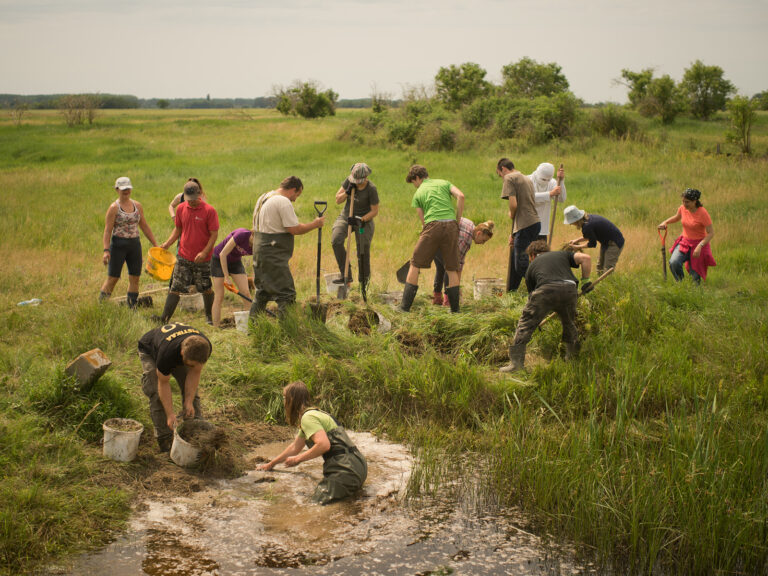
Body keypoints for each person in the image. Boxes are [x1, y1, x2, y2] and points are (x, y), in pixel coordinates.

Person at [257, 380, 367, 505]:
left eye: (284, 398)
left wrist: (297, 459)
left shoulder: (308, 418)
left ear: (291, 399)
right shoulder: (316, 413)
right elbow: (295, 447)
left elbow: (323, 445)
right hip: (358, 466)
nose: (283, 402)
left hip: (345, 470)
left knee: (314, 505)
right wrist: (271, 464)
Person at [500, 240, 592, 373]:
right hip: (569, 289)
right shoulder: (562, 254)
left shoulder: (531, 267)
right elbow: (586, 258)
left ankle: (516, 365)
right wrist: (586, 280)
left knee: (525, 323)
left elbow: (533, 298)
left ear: (532, 255)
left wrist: (535, 320)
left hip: (545, 290)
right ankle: (572, 361)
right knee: (569, 323)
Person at [249, 176, 325, 318]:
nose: (295, 199)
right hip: (273, 254)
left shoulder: (264, 197)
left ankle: (253, 327)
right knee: (286, 294)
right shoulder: (282, 201)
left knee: (262, 293)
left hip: (259, 251)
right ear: (292, 189)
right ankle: (287, 329)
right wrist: (315, 224)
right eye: (297, 195)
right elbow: (294, 229)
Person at [400, 165, 465, 313]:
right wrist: (457, 220)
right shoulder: (444, 183)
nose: (415, 186)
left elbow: (424, 223)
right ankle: (455, 311)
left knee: (415, 264)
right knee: (452, 268)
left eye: (414, 182)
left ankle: (404, 308)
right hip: (451, 226)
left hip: (432, 226)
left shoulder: (418, 193)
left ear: (417, 178)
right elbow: (461, 196)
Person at [138, 322, 212, 452]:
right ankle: (165, 438)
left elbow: (195, 372)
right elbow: (163, 383)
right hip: (150, 348)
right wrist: (170, 414)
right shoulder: (166, 355)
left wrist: (188, 401)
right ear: (182, 353)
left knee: (191, 391)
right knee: (156, 392)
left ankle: (195, 429)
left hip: (176, 347)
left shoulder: (204, 347)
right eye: (190, 364)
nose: (192, 366)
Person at [158, 179, 219, 324]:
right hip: (183, 256)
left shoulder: (209, 211)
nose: (191, 202)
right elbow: (178, 229)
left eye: (194, 199)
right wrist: (167, 243)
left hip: (202, 259)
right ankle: (164, 319)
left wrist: (204, 252)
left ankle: (209, 317)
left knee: (206, 288)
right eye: (188, 199)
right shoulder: (180, 208)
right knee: (175, 287)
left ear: (199, 194)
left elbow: (214, 234)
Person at [100, 177, 158, 307]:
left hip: (134, 245)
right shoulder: (114, 208)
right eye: (123, 189)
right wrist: (106, 250)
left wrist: (155, 244)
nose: (126, 191)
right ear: (117, 190)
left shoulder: (137, 206)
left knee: (135, 277)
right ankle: (101, 306)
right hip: (118, 245)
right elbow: (107, 231)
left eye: (128, 188)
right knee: (113, 278)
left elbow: (144, 226)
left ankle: (132, 306)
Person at [331, 163, 379, 291]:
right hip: (346, 217)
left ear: (366, 177)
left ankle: (364, 284)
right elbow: (337, 200)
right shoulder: (349, 181)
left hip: (363, 222)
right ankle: (346, 275)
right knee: (336, 240)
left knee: (363, 250)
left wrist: (361, 219)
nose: (356, 183)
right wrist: (347, 192)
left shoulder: (371, 189)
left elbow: (374, 211)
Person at [496, 158, 540, 292]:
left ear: (503, 169)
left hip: (524, 224)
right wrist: (514, 233)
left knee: (521, 264)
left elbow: (514, 205)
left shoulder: (509, 178)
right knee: (517, 259)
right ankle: (511, 291)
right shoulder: (526, 178)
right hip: (534, 223)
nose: (501, 178)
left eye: (499, 174)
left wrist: (511, 213)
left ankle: (538, 288)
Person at [657, 188, 716, 283]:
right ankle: (681, 284)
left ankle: (694, 288)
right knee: (674, 262)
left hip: (699, 245)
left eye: (687, 202)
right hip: (685, 242)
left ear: (694, 201)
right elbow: (677, 217)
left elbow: (711, 233)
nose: (684, 204)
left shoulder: (703, 213)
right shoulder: (682, 208)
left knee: (695, 278)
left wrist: (700, 246)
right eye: (683, 201)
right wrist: (665, 222)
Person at [432, 219, 495, 306]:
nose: (482, 243)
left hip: (434, 236)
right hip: (440, 241)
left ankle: (437, 298)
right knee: (450, 269)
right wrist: (456, 287)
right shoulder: (466, 240)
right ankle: (448, 301)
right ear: (479, 233)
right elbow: (457, 264)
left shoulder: (471, 224)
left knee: (441, 268)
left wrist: (457, 285)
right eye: (483, 240)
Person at [211, 227, 253, 327]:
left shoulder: (259, 246)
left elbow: (257, 265)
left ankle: (248, 325)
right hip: (218, 259)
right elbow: (223, 254)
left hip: (235, 262)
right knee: (219, 295)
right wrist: (226, 277)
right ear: (252, 235)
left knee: (246, 293)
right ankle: (216, 327)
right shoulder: (242, 234)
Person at [563, 205, 625, 273]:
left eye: (571, 222)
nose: (571, 224)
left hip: (614, 243)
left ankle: (609, 279)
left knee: (608, 268)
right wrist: (576, 240)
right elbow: (590, 236)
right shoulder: (587, 219)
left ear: (576, 220)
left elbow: (592, 244)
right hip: (605, 242)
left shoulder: (587, 226)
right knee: (600, 266)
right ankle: (600, 279)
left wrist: (577, 247)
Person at [528, 163, 566, 242]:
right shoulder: (527, 180)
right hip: (527, 226)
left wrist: (561, 181)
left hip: (542, 227)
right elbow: (528, 197)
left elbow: (561, 199)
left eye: (548, 180)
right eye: (543, 179)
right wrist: (550, 194)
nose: (546, 181)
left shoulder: (552, 182)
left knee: (541, 250)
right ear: (537, 173)